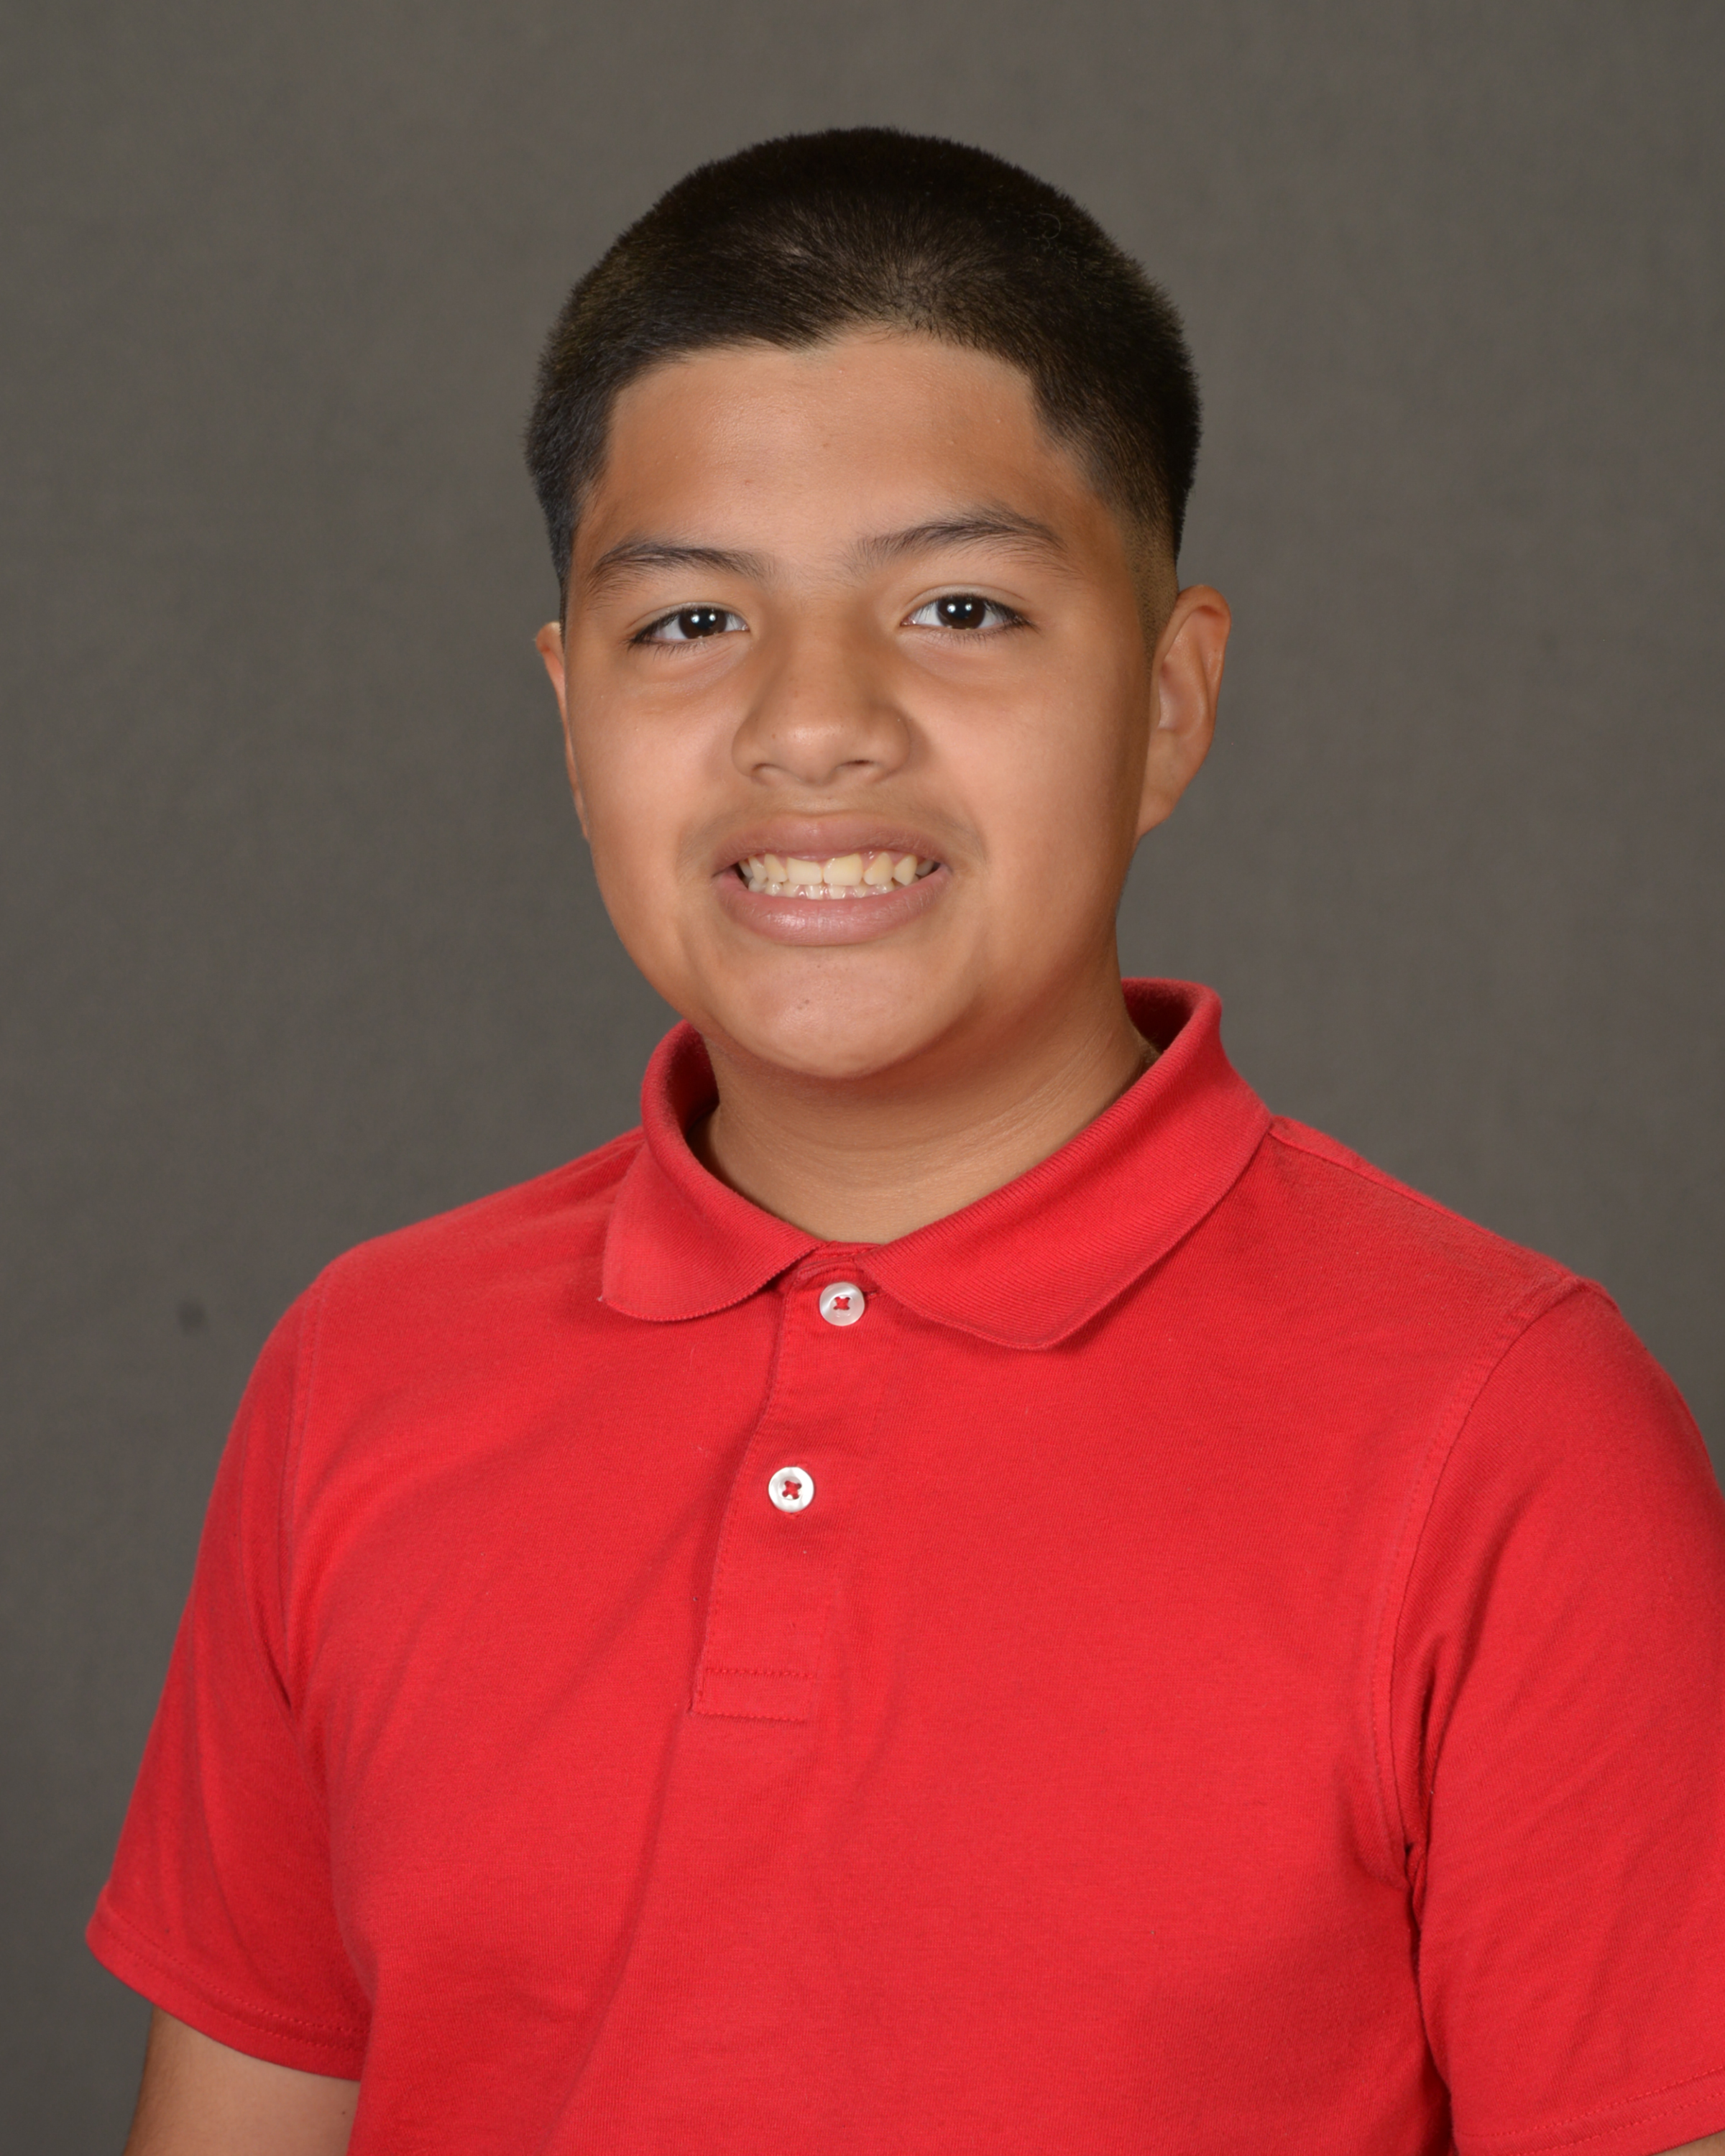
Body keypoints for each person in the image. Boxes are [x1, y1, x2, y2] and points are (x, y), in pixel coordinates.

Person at [93, 128, 1725, 2156]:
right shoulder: (362, 1373)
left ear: (1169, 703)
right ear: (570, 716)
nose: (813, 724)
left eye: (959, 606)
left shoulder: (1507, 1436)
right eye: (689, 624)